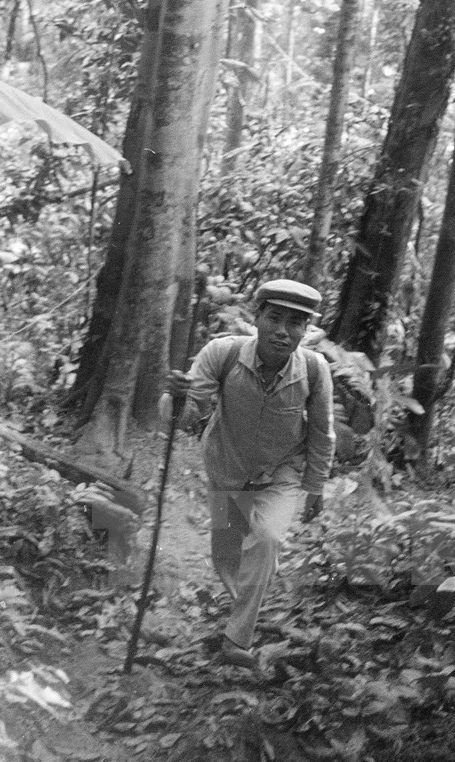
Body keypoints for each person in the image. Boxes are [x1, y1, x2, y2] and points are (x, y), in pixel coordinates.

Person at [163, 279, 335, 668]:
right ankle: (245, 604)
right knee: (226, 554)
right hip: (227, 468)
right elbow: (188, 417)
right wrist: (174, 398)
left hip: (281, 472)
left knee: (268, 538)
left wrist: (315, 488)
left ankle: (236, 638)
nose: (283, 331)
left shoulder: (313, 367)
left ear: (306, 329)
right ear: (256, 318)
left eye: (295, 323)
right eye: (274, 318)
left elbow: (322, 432)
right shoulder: (221, 354)